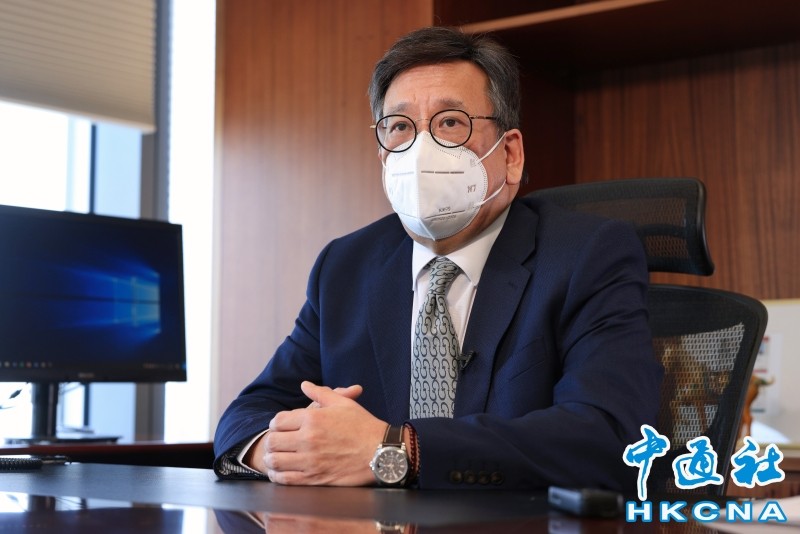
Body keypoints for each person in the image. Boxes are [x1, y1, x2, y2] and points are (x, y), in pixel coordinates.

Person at [213, 26, 663, 491]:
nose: (420, 149)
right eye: (400, 127)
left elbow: (611, 437)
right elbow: (246, 417)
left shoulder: (587, 255)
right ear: (383, 156)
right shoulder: (345, 266)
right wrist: (280, 450)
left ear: (510, 154)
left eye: (450, 122)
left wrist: (397, 448)